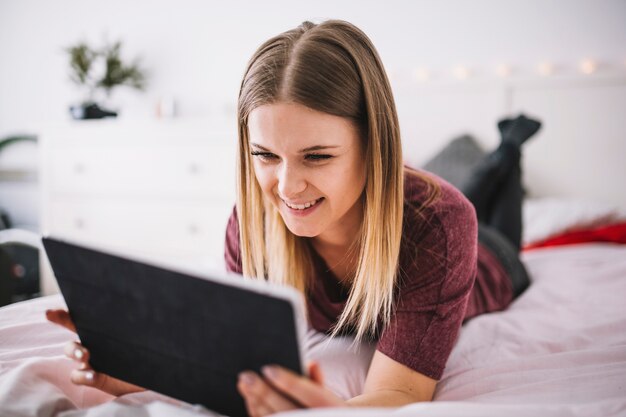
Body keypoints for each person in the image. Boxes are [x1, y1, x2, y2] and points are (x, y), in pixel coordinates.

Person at [46, 19, 540, 416]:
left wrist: (329, 412)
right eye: (265, 155)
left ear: (373, 148)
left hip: (492, 258)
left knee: (489, 197)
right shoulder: (254, 221)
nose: (286, 188)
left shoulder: (442, 225)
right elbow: (230, 363)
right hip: (403, 201)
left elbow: (398, 394)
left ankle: (509, 150)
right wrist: (134, 369)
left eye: (317, 157)